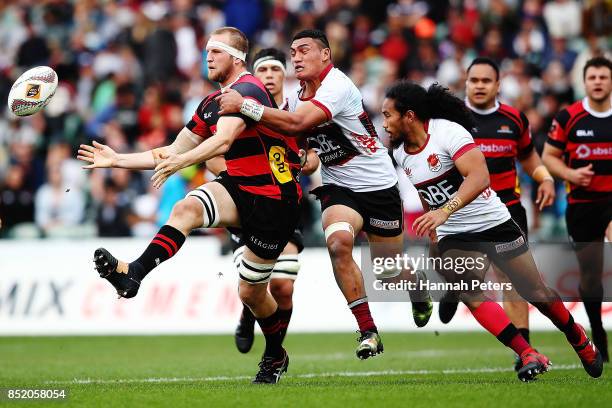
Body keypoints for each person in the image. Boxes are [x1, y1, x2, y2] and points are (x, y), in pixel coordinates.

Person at [77, 27, 301, 384]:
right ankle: (132, 274)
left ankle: (275, 354)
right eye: (206, 51)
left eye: (215, 51)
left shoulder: (249, 89)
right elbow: (173, 150)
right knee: (185, 209)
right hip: (241, 187)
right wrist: (117, 159)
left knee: (251, 292)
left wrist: (182, 163)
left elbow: (223, 141)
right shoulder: (212, 102)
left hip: (275, 200)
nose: (207, 57)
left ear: (235, 57)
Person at [216, 29, 432, 360]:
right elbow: (296, 140)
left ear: (326, 55)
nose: (296, 57)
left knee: (387, 268)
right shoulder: (295, 96)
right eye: (293, 52)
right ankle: (368, 331)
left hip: (378, 185)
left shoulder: (337, 86)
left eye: (304, 50)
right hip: (337, 186)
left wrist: (244, 105)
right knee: (338, 244)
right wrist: (303, 156)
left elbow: (297, 124)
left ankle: (416, 285)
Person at [383, 80, 604, 381]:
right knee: (469, 292)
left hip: (493, 223)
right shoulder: (400, 154)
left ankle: (576, 335)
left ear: (408, 115)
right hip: (455, 234)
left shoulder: (448, 133)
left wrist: (443, 211)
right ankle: (526, 352)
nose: (384, 123)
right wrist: (434, 222)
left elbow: (479, 177)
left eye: (388, 115)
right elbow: (427, 192)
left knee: (535, 292)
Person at [439, 57, 556, 371]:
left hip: (507, 211)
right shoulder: (449, 120)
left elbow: (529, 158)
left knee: (513, 281)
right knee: (468, 278)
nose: (479, 86)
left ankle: (525, 354)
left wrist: (544, 177)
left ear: (498, 85)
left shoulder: (514, 119)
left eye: (485, 81)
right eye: (473, 80)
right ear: (465, 83)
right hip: (464, 211)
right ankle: (456, 285)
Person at [207, 47, 306, 354]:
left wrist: (303, 161)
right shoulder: (234, 105)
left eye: (276, 70)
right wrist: (245, 184)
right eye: (263, 70)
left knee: (283, 287)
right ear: (254, 77)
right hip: (246, 205)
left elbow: (313, 157)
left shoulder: (296, 113)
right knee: (253, 287)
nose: (269, 76)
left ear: (284, 76)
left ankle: (272, 351)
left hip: (282, 205)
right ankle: (251, 318)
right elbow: (213, 156)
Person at [543, 56, 612, 363]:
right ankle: (597, 330)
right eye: (592, 77)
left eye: (603, 77)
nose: (597, 81)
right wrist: (570, 174)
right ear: (584, 82)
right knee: (590, 275)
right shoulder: (569, 117)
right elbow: (549, 157)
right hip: (582, 205)